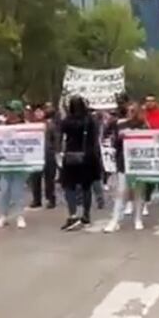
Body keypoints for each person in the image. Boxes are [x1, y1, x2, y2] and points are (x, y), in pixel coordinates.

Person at [59, 95, 102, 230]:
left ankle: (72, 215)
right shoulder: (90, 120)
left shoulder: (67, 121)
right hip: (88, 157)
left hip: (71, 156)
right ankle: (86, 215)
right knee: (86, 187)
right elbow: (95, 138)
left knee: (69, 186)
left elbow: (61, 134)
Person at [104, 101, 147, 232]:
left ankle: (138, 218)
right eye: (128, 110)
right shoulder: (120, 124)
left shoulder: (144, 126)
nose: (130, 113)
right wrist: (120, 138)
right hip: (124, 161)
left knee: (138, 191)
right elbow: (114, 144)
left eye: (133, 110)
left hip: (140, 162)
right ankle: (115, 219)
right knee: (122, 191)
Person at [0, 101, 30, 229]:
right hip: (5, 162)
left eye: (12, 110)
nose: (9, 113)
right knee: (4, 190)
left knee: (17, 190)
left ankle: (20, 216)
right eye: (8, 110)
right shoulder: (2, 125)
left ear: (18, 112)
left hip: (20, 162)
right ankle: (3, 216)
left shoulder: (26, 126)